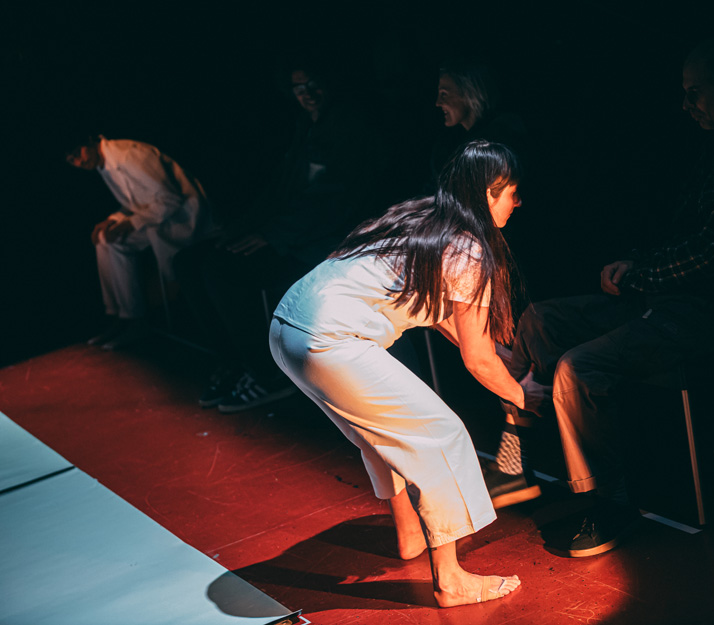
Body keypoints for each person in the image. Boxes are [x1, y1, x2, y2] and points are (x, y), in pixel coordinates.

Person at [483, 37, 714, 557]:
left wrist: (637, 276)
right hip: (668, 297)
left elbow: (712, 252)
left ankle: (611, 501)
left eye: (695, 92)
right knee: (538, 320)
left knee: (577, 368)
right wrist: (633, 263)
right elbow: (680, 235)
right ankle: (525, 457)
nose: (687, 105)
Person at [268, 141, 549, 607]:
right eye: (513, 192)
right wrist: (524, 395)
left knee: (377, 434)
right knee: (441, 435)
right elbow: (477, 360)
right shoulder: (469, 248)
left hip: (286, 327)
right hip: (330, 337)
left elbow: (442, 316)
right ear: (490, 191)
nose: (517, 203)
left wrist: (499, 358)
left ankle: (410, 534)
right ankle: (451, 580)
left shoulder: (424, 218)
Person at [173, 62, 387, 413]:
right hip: (292, 234)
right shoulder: (307, 126)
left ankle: (268, 374)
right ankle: (234, 362)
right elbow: (279, 191)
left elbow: (338, 201)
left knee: (220, 271)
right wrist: (242, 227)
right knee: (188, 261)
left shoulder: (351, 126)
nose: (307, 94)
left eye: (313, 84)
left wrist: (273, 235)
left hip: (323, 244)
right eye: (299, 88)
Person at [66, 135, 212, 349]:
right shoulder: (104, 165)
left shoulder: (129, 155)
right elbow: (137, 202)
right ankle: (125, 316)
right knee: (106, 240)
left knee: (120, 238)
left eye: (77, 154)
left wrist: (129, 224)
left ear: (88, 141)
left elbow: (171, 200)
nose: (79, 162)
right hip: (158, 219)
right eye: (72, 161)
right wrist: (113, 220)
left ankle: (134, 320)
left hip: (184, 219)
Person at [429, 62, 527, 189]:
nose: (438, 103)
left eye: (444, 94)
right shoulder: (451, 145)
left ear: (468, 92)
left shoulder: (498, 142)